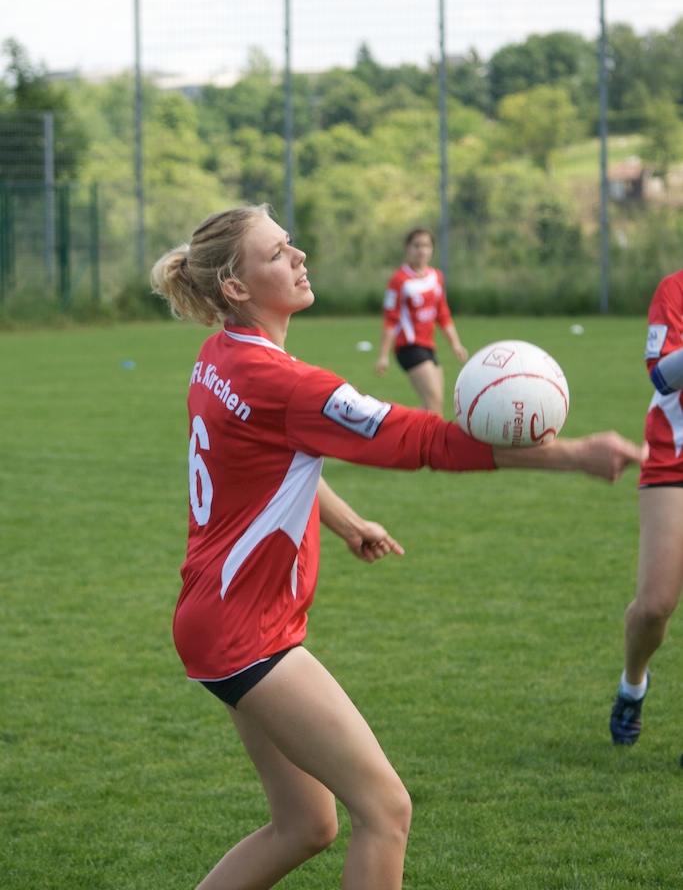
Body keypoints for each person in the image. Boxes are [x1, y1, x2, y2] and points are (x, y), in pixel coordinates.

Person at [151, 203, 644, 890]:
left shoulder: (220, 359)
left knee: (306, 825)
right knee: (384, 810)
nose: (296, 257)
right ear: (234, 288)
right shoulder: (284, 383)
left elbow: (261, 468)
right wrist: (571, 455)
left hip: (215, 615)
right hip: (246, 633)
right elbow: (424, 442)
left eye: (291, 244)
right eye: (276, 253)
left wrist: (345, 521)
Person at [610, 267, 683, 747]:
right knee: (655, 605)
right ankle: (632, 685)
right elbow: (660, 373)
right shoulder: (674, 289)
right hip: (673, 458)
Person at [375, 227, 468, 415]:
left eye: (426, 245)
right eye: (416, 246)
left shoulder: (436, 277)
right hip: (409, 347)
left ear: (432, 249)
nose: (421, 250)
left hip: (428, 347)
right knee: (433, 403)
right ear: (408, 249)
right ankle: (402, 434)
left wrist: (456, 344)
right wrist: (383, 355)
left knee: (433, 407)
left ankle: (398, 433)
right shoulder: (399, 280)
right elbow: (391, 320)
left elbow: (442, 314)